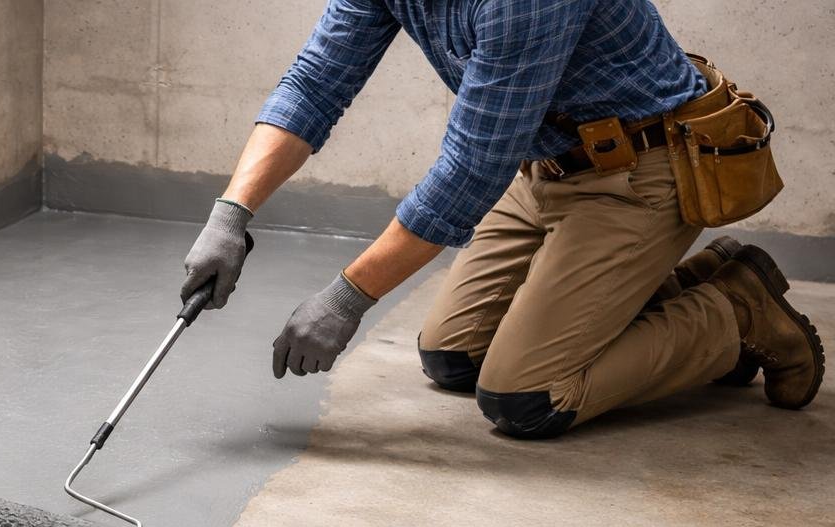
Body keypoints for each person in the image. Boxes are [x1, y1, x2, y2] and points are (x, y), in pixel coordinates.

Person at [182, 0, 823, 439]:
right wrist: (230, 215)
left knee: (527, 397)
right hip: (544, 167)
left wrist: (347, 298)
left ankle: (737, 310)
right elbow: (316, 81)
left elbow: (470, 170)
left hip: (640, 172)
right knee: (452, 357)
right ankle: (703, 277)